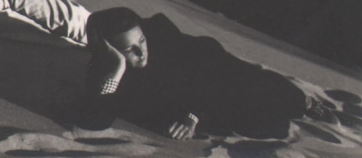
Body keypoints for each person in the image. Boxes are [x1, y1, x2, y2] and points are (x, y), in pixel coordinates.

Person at [79, 7, 312, 140]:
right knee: (267, 123)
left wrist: (191, 116)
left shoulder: (162, 43)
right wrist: (117, 67)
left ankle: (304, 99)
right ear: (108, 51)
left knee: (282, 99)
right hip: (196, 92)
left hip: (206, 63)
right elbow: (94, 121)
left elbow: (202, 74)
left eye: (142, 40)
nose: (142, 52)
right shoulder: (104, 70)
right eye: (130, 50)